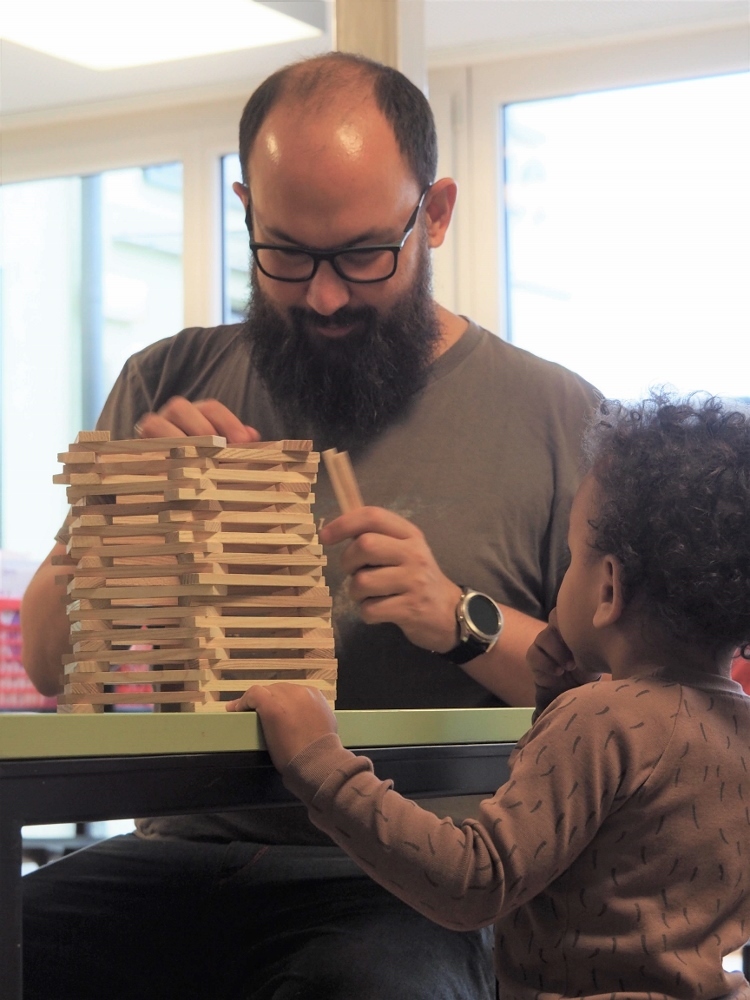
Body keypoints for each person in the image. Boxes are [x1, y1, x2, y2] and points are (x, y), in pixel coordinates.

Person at [21, 52, 599, 999]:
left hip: (416, 871)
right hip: (183, 855)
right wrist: (120, 513)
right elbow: (49, 665)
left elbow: (616, 703)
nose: (324, 296)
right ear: (245, 209)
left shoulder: (556, 417)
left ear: (435, 214)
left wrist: (461, 619)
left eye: (364, 254)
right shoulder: (164, 380)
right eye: (285, 253)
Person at [230, 393, 750, 1000]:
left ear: (608, 590)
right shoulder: (732, 724)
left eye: (571, 559)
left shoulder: (601, 719)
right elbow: (623, 861)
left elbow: (474, 882)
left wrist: (320, 761)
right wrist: (557, 696)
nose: (564, 576)